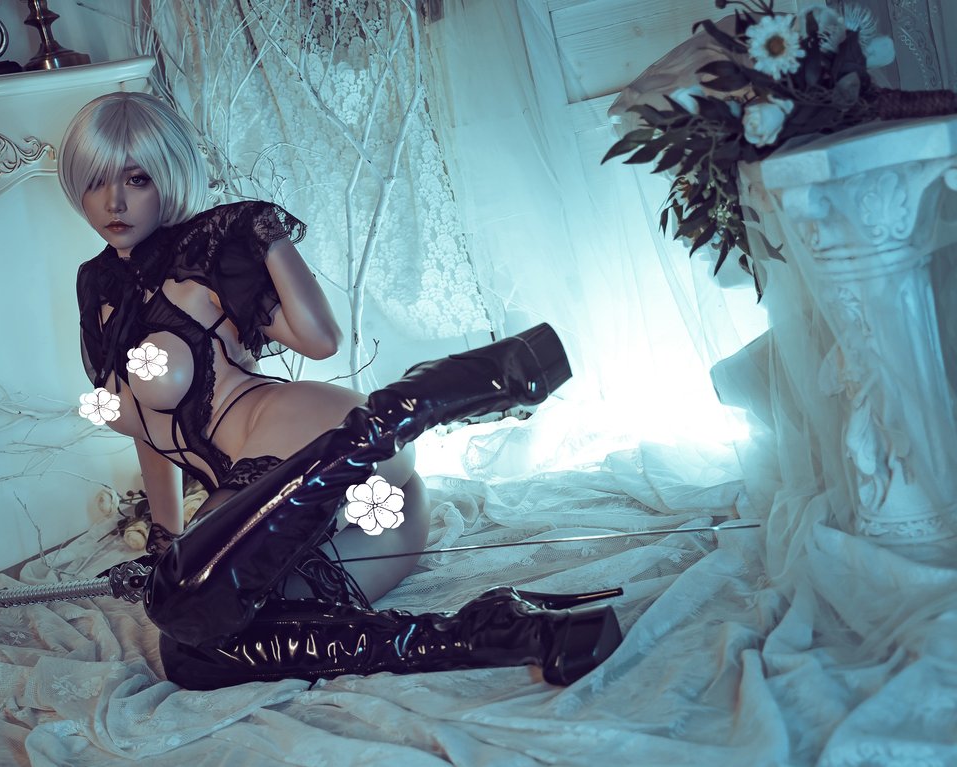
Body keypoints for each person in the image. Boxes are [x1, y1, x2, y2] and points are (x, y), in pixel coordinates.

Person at [59, 92, 622, 689]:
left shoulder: (205, 251)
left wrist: (264, 234)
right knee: (193, 650)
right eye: (96, 180)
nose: (114, 201)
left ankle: (428, 398)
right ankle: (508, 633)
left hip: (309, 438)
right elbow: (151, 431)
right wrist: (168, 539)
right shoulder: (97, 288)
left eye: (137, 179)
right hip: (365, 523)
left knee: (190, 593)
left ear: (168, 177)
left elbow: (321, 340)